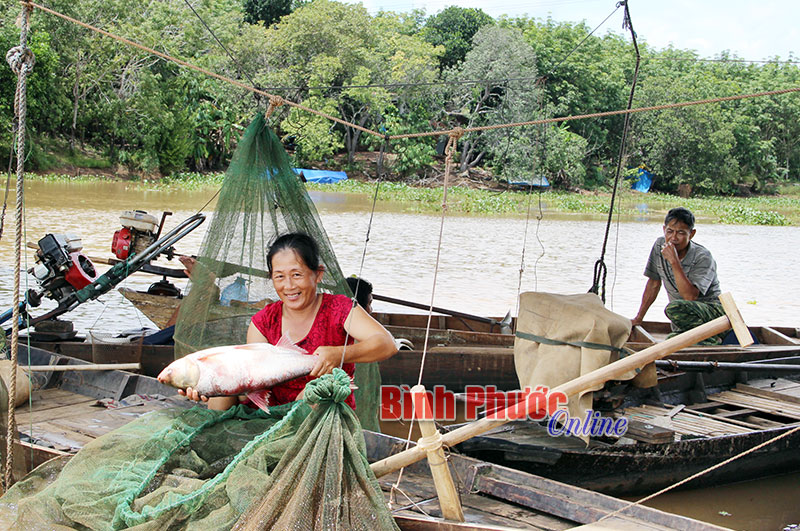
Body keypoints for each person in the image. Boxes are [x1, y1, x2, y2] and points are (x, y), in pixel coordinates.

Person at [181, 232, 398, 410]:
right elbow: (250, 381)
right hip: (270, 409)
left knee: (314, 393)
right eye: (279, 277)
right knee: (220, 396)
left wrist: (338, 354)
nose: (289, 286)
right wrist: (208, 385)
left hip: (322, 413)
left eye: (297, 275)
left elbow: (386, 344)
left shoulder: (340, 308)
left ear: (317, 274)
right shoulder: (263, 321)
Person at [631, 207, 725, 343]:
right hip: (684, 318)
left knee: (674, 308)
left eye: (681, 233)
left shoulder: (703, 257)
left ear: (691, 234)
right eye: (670, 232)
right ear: (664, 230)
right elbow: (653, 283)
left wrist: (674, 261)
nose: (673, 238)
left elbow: (690, 297)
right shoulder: (659, 246)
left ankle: (713, 337)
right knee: (671, 338)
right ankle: (704, 339)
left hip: (713, 314)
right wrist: (639, 318)